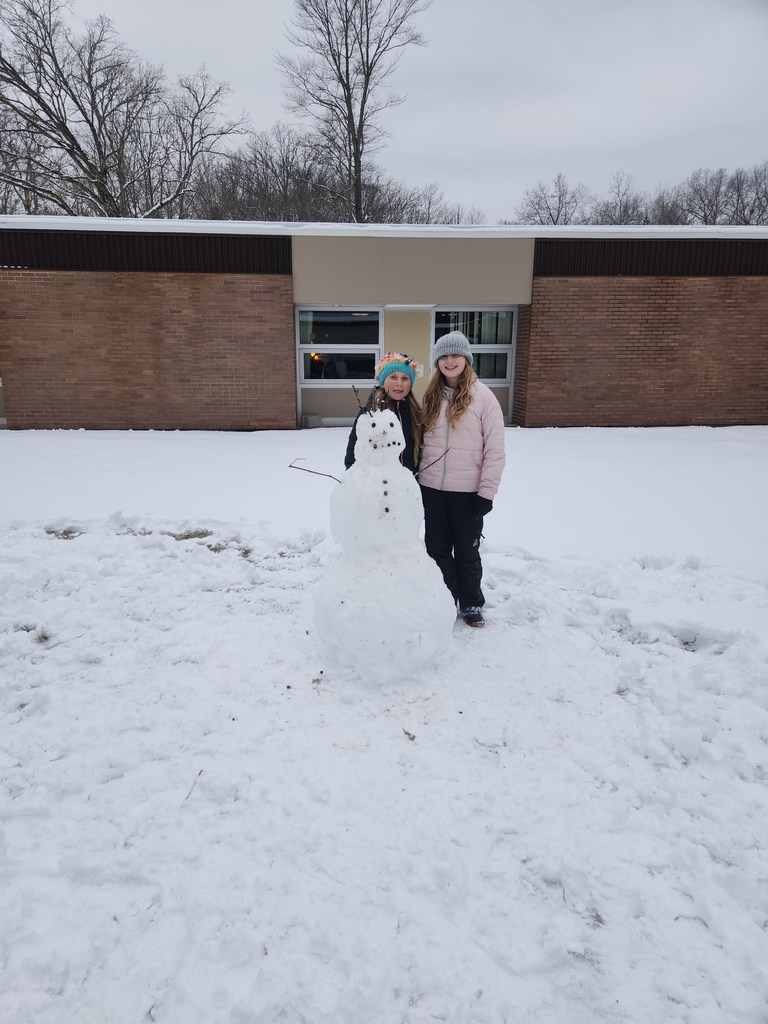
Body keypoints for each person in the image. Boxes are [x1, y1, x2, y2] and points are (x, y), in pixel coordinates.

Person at [418, 332, 505, 628]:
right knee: (437, 551)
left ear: (466, 359)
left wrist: (487, 493)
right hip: (432, 489)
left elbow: (495, 451)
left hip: (468, 493)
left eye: (455, 355)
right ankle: (444, 600)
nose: (450, 361)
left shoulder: (484, 398)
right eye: (444, 356)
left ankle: (470, 603)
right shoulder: (430, 396)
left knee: (467, 551)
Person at [344, 352, 422, 473]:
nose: (399, 383)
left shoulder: (416, 413)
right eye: (393, 377)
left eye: (405, 378)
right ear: (382, 381)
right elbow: (352, 456)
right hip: (377, 482)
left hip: (408, 482)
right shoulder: (370, 414)